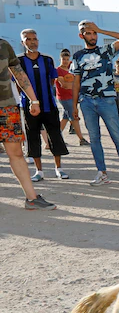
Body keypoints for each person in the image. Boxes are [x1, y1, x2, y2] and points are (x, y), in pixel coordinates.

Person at [70, 20, 119, 186]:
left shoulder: (106, 51)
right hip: (86, 101)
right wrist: (74, 106)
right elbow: (76, 81)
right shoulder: (78, 56)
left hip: (106, 100)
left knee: (117, 137)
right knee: (94, 139)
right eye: (89, 33)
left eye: (94, 33)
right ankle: (102, 173)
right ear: (81, 35)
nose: (93, 36)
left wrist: (100, 29)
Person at [0, 38, 56, 209]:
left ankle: (32, 199)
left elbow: (18, 73)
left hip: (6, 107)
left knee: (16, 153)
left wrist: (34, 100)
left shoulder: (3, 45)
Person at [16, 30, 70, 181]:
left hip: (49, 106)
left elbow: (52, 81)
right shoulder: (18, 61)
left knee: (55, 136)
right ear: (23, 42)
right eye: (28, 39)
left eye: (35, 39)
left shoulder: (47, 60)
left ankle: (59, 168)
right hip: (29, 107)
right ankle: (39, 171)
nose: (33, 42)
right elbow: (18, 84)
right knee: (32, 136)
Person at [55, 48, 87, 145]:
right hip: (64, 97)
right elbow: (64, 85)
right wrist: (76, 84)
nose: (65, 61)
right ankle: (81, 139)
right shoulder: (58, 70)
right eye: (63, 59)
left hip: (72, 97)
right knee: (74, 117)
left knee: (65, 118)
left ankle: (56, 138)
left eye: (67, 59)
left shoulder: (71, 69)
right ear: (60, 59)